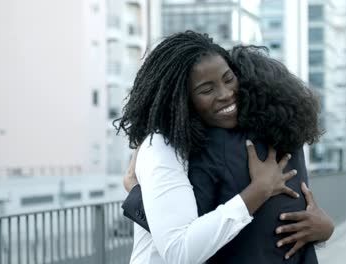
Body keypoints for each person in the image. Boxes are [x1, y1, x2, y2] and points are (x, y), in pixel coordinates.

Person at [116, 31, 334, 263]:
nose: (226, 94)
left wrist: (326, 228)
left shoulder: (229, 142)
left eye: (229, 79)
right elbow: (181, 247)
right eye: (206, 90)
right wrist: (258, 191)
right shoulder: (163, 147)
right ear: (182, 99)